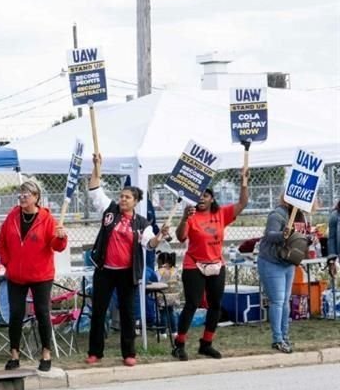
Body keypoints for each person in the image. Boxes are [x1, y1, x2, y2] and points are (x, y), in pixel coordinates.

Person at [85, 153, 169, 366]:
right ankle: (95, 352)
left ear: (136, 202)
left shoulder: (142, 223)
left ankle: (129, 353)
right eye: (121, 196)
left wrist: (159, 237)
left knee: (128, 313)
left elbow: (149, 244)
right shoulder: (109, 210)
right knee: (99, 310)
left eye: (127, 197)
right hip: (105, 271)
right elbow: (95, 189)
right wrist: (97, 167)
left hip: (126, 273)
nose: (122, 199)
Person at [172, 162, 249, 360]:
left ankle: (206, 343)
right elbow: (180, 237)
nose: (201, 199)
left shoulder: (220, 214)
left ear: (211, 198)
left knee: (216, 305)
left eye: (205, 195)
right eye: (198, 196)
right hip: (194, 264)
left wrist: (244, 183)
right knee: (192, 304)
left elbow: (242, 204)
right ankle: (179, 344)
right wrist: (183, 219)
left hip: (216, 264)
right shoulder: (190, 215)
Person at [0, 179, 67, 373]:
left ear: (36, 197)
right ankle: (14, 354)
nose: (22, 197)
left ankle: (46, 353)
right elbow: (1, 243)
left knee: (42, 312)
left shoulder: (47, 219)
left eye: (26, 194)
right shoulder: (12, 217)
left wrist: (61, 237)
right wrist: (7, 262)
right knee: (16, 314)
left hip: (41, 275)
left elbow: (56, 246)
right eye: (20, 194)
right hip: (16, 275)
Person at [257, 196, 311, 353]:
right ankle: (277, 339)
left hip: (288, 262)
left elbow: (299, 237)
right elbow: (269, 235)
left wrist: (308, 239)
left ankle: (285, 337)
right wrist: (283, 234)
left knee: (285, 301)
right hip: (272, 261)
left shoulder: (302, 216)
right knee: (278, 301)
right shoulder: (278, 214)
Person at [155, 251, 181, 338]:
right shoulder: (175, 270)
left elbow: (156, 282)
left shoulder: (160, 271)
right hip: (174, 297)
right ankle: (174, 331)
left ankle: (163, 333)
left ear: (161, 262)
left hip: (163, 297)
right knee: (171, 312)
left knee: (163, 314)